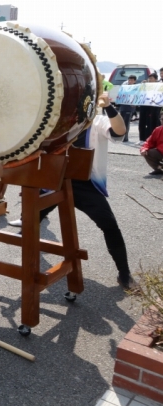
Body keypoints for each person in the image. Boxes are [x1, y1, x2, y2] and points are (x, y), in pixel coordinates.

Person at [8, 93, 138, 290]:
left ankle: (124, 273)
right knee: (30, 221)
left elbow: (120, 131)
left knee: (110, 226)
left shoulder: (97, 121)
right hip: (53, 182)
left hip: (86, 185)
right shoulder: (57, 121)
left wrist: (109, 107)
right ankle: (29, 264)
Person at [138, 72, 160, 142]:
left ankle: (151, 139)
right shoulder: (145, 85)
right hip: (144, 105)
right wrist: (142, 84)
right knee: (142, 122)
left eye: (151, 78)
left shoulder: (159, 86)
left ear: (156, 79)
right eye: (149, 78)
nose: (150, 79)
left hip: (154, 107)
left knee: (151, 123)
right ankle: (142, 138)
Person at [118, 75, 137, 142]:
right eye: (129, 80)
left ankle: (125, 137)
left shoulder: (136, 88)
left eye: (132, 80)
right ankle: (121, 136)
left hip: (130, 107)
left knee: (126, 122)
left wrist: (134, 104)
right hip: (123, 106)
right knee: (121, 122)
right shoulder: (124, 87)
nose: (130, 81)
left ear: (135, 81)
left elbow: (137, 97)